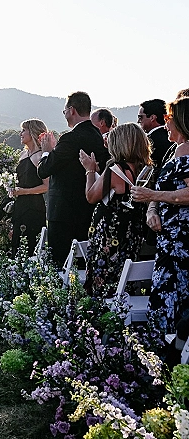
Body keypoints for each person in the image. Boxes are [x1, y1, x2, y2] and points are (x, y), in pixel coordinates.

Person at [131, 97, 189, 333]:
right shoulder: (177, 149)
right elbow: (165, 188)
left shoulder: (186, 149)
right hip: (170, 237)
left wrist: (151, 196)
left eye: (169, 118)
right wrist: (153, 206)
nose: (166, 124)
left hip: (180, 241)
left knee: (174, 297)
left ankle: (170, 356)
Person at [38, 92, 109, 267]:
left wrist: (47, 151)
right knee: (82, 264)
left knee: (60, 264)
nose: (65, 115)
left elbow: (44, 170)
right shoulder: (97, 136)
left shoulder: (70, 138)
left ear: (72, 110)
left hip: (64, 213)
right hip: (89, 210)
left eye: (64, 111)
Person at [80, 123, 151, 296]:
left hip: (109, 236)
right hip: (131, 232)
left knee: (104, 280)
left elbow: (91, 196)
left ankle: (102, 316)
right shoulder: (145, 169)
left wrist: (90, 171)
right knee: (124, 277)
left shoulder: (115, 170)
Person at [8, 119, 48, 255]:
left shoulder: (40, 156)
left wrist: (25, 192)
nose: (20, 133)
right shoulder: (22, 154)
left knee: (31, 244)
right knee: (17, 243)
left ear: (32, 132)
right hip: (20, 205)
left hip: (34, 208)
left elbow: (46, 186)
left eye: (23, 130)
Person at [137, 99, 174, 174]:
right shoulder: (173, 137)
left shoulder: (148, 141)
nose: (138, 121)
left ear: (152, 118)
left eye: (140, 117)